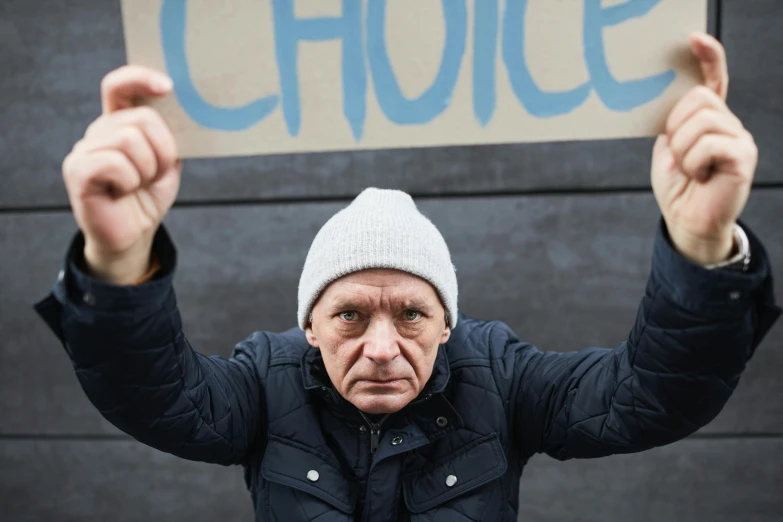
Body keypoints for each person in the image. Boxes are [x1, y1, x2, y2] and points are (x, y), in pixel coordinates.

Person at [36, 32, 780, 522]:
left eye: (412, 315)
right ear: (309, 327)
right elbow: (154, 396)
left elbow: (648, 397)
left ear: (448, 323)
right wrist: (119, 264)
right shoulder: (262, 381)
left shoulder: (502, 377)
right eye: (351, 315)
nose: (384, 347)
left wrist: (701, 243)